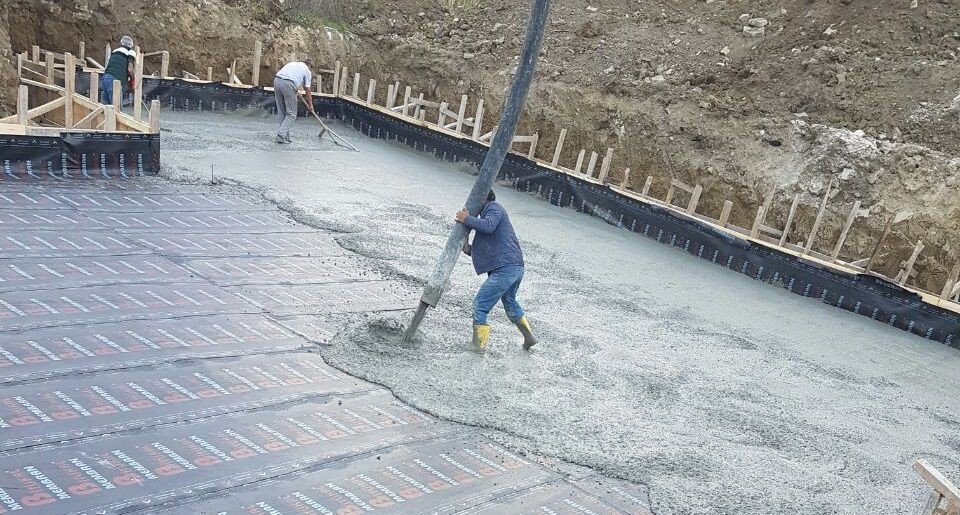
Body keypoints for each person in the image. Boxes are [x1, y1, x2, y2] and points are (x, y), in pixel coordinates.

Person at [456, 190, 538, 352]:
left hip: (505, 269)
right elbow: (487, 247)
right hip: (513, 268)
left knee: (480, 304)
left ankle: (478, 345)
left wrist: (467, 219)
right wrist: (467, 243)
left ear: (484, 199)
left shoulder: (494, 208)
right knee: (510, 302)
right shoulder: (488, 215)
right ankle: (529, 337)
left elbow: (488, 227)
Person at [273, 58, 315, 144]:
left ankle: (285, 136)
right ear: (309, 66)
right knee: (291, 114)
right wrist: (310, 105)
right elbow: (308, 89)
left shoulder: (292, 63)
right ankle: (281, 136)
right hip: (288, 84)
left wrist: (294, 87)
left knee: (282, 111)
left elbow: (288, 76)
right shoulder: (307, 70)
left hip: (277, 81)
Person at [101, 36, 136, 106]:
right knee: (117, 108)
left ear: (122, 43)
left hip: (105, 78)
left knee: (107, 107)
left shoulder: (115, 51)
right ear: (131, 45)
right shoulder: (131, 52)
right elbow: (130, 69)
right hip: (115, 81)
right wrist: (133, 80)